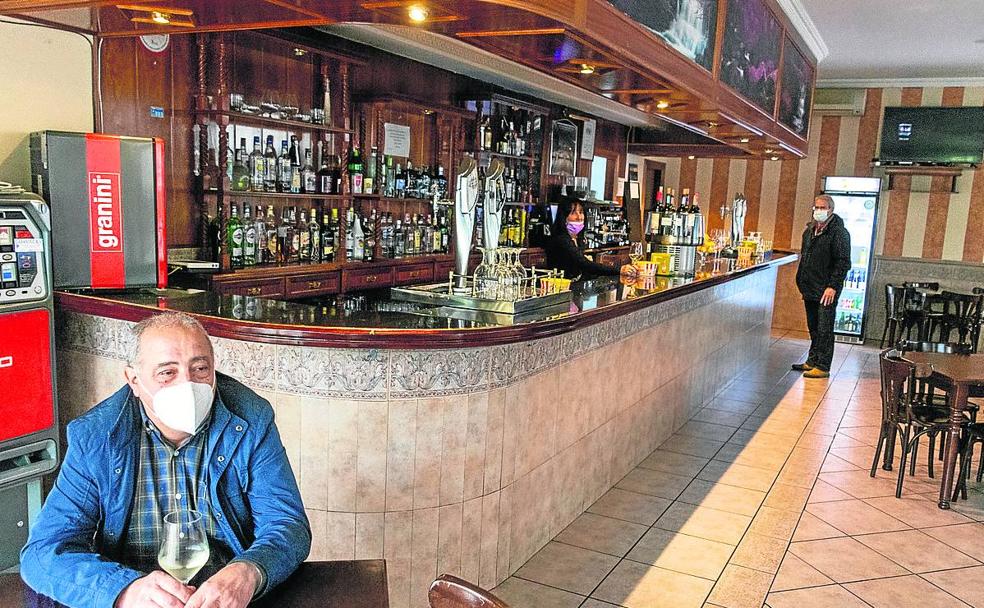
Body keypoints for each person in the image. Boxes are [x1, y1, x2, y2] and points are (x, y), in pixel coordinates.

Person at [20, 312, 310, 608]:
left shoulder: (250, 420)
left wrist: (248, 572)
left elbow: (287, 525)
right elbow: (44, 552)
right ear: (133, 379)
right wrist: (123, 591)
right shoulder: (96, 436)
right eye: (167, 373)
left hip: (226, 599)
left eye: (199, 368)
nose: (188, 384)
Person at [793, 194, 851, 378]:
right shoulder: (810, 230)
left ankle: (823, 366)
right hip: (809, 285)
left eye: (823, 207)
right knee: (813, 326)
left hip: (826, 288)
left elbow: (843, 262)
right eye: (816, 207)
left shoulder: (839, 233)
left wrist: (832, 286)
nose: (819, 211)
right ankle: (812, 360)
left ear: (831, 210)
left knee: (825, 327)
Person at [543, 195, 637, 280]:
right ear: (564, 217)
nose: (579, 217)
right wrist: (619, 270)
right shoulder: (561, 239)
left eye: (581, 212)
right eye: (573, 213)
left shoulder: (578, 239)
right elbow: (584, 264)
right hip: (560, 289)